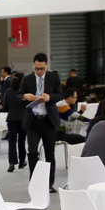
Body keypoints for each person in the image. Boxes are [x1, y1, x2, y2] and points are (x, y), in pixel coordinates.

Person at [21, 53, 62, 191]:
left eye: (42, 69)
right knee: (32, 152)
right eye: (37, 68)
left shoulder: (53, 77)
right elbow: (18, 95)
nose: (39, 71)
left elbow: (60, 94)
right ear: (33, 65)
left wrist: (50, 97)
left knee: (50, 153)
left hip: (48, 121)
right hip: (33, 121)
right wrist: (25, 96)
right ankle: (34, 181)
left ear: (47, 66)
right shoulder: (27, 79)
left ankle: (49, 183)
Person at [3, 73, 27, 172]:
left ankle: (12, 163)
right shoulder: (24, 93)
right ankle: (22, 161)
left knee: (12, 141)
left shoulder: (8, 91)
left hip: (11, 118)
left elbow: (5, 107)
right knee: (22, 141)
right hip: (23, 118)